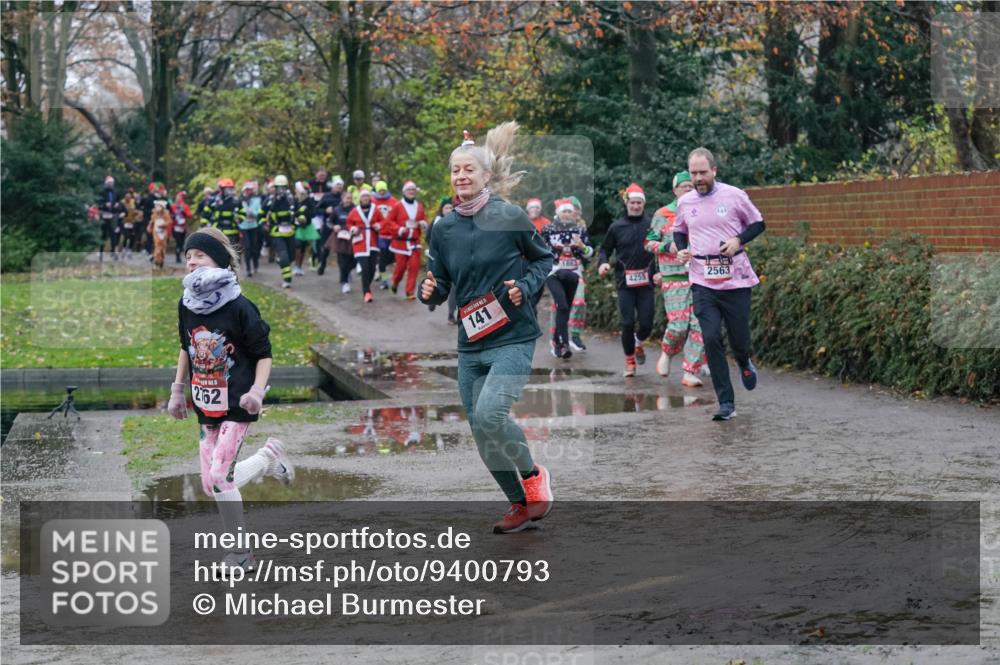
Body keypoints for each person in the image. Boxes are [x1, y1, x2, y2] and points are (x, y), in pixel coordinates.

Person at [419, 123, 554, 534]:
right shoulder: (442, 229)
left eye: (469, 170)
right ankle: (518, 504)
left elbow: (543, 260)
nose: (461, 177)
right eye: (455, 170)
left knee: (491, 413)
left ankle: (533, 477)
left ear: (485, 175)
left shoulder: (509, 216)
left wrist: (524, 288)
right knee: (480, 431)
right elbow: (441, 282)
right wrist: (430, 291)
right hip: (470, 342)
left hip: (513, 336)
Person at [167, 227, 294, 574]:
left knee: (221, 476)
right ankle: (269, 457)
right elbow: (186, 347)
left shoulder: (239, 306)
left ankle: (241, 554)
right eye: (188, 256)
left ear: (219, 262)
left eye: (200, 256)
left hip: (238, 402)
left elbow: (264, 353)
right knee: (211, 483)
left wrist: (256, 391)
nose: (191, 262)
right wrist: (178, 390)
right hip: (205, 402)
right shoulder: (187, 303)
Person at [673, 147, 765, 421]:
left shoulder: (734, 195)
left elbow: (759, 223)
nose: (698, 178)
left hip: (735, 279)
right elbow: (679, 230)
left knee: (739, 339)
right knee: (710, 337)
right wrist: (681, 250)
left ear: (714, 170)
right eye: (694, 173)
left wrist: (738, 240)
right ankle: (726, 402)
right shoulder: (686, 202)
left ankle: (745, 361)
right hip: (702, 279)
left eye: (703, 172)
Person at [645, 170, 706, 387]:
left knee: (700, 323)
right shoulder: (663, 214)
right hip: (673, 276)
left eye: (692, 186)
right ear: (675, 190)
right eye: (685, 187)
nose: (689, 189)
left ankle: (691, 370)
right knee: (679, 325)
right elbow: (648, 243)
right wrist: (666, 246)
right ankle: (667, 352)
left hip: (700, 277)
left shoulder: (702, 210)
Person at [598, 183, 657, 377]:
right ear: (627, 203)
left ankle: (638, 342)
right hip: (625, 282)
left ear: (643, 204)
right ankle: (629, 360)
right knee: (627, 322)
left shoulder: (651, 224)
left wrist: (661, 271)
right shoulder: (617, 226)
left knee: (647, 323)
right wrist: (603, 263)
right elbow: (605, 248)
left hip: (646, 281)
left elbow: (662, 247)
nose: (636, 206)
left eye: (639, 203)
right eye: (633, 202)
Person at [541, 199, 593, 359]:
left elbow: (590, 252)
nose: (567, 214)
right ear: (558, 213)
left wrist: (582, 247)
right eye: (564, 211)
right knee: (562, 306)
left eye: (570, 211)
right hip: (554, 273)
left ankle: (557, 340)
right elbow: (537, 249)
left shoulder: (579, 229)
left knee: (567, 308)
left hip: (573, 274)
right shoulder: (548, 229)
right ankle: (563, 344)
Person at [385, 180, 428, 300]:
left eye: (413, 190)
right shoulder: (397, 206)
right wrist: (399, 229)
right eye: (409, 190)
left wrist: (423, 223)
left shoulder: (419, 206)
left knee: (414, 267)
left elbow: (422, 219)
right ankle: (395, 281)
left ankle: (410, 291)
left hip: (414, 241)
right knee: (401, 267)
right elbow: (389, 221)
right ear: (404, 192)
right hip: (400, 242)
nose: (411, 192)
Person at [346, 187, 384, 302]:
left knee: (372, 268)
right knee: (365, 267)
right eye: (363, 196)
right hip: (360, 242)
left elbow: (383, 221)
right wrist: (353, 228)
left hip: (373, 242)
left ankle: (367, 285)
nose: (365, 198)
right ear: (360, 199)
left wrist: (379, 225)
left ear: (370, 198)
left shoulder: (376, 209)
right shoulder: (354, 210)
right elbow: (349, 222)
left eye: (367, 196)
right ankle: (366, 292)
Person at [264, 175, 298, 288]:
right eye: (279, 188)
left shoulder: (291, 199)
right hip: (276, 232)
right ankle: (287, 279)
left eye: (283, 187)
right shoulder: (270, 200)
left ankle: (281, 261)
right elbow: (261, 213)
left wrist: (302, 218)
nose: (281, 190)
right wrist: (264, 223)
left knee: (291, 256)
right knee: (284, 256)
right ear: (275, 188)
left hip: (290, 232)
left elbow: (300, 211)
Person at [428, 197, 457, 322]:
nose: (449, 210)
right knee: (436, 282)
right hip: (436, 259)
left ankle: (451, 314)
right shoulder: (437, 221)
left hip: (453, 259)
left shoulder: (458, 221)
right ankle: (433, 299)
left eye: (451, 207)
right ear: (442, 209)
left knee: (454, 288)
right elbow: (428, 238)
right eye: (446, 208)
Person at [325, 189, 356, 293]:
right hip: (340, 238)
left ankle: (347, 272)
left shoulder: (356, 209)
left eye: (350, 198)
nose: (349, 200)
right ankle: (345, 282)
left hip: (352, 238)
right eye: (347, 198)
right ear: (342, 199)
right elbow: (329, 222)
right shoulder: (337, 210)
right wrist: (334, 226)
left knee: (353, 261)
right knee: (342, 260)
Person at [372, 180, 398, 289]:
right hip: (380, 234)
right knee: (382, 256)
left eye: (383, 190)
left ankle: (380, 269)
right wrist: (375, 224)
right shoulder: (373, 201)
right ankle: (384, 281)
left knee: (391, 258)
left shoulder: (393, 201)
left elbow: (399, 214)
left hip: (392, 234)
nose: (382, 192)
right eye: (380, 190)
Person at [238, 181, 263, 277]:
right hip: (243, 226)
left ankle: (255, 264)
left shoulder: (257, 199)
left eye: (251, 189)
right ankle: (248, 269)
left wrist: (253, 213)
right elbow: (238, 212)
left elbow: (260, 211)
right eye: (247, 189)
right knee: (247, 247)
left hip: (254, 226)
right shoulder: (240, 200)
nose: (249, 191)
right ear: (244, 190)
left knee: (254, 247)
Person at [211, 179, 242, 247]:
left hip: (232, 231)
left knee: (233, 252)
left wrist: (240, 219)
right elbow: (206, 213)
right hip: (217, 231)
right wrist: (204, 224)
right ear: (221, 189)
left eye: (231, 188)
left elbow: (242, 213)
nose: (229, 190)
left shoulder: (236, 201)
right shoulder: (215, 200)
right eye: (227, 189)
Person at [96, 176, 120, 261]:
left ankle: (113, 252)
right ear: (106, 183)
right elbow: (98, 202)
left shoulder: (115, 192)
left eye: (112, 183)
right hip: (104, 214)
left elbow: (118, 201)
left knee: (113, 234)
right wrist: (104, 204)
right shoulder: (102, 192)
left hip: (112, 215)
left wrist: (117, 205)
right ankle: (101, 252)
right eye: (109, 183)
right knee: (103, 234)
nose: (111, 184)